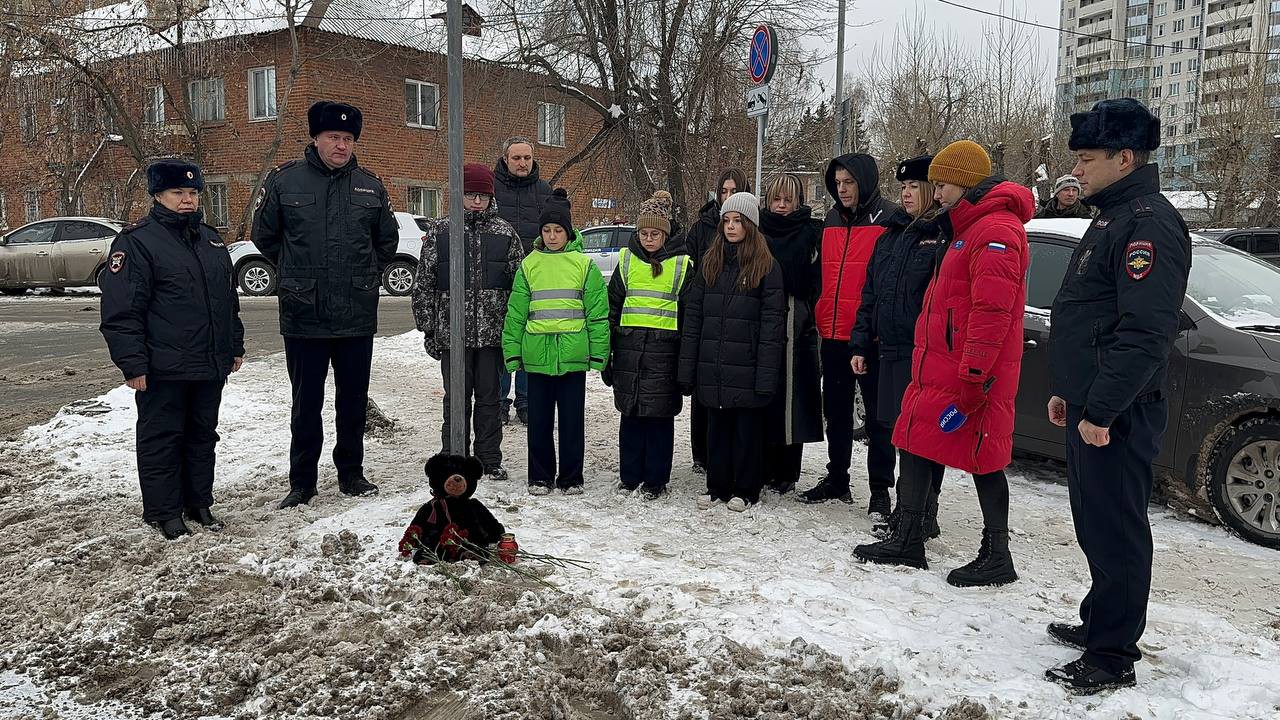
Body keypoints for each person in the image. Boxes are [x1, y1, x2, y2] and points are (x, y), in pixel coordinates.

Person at [1043, 99, 1191, 694]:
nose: (1077, 169)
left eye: (1087, 158)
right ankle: (1099, 621)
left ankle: (1112, 655)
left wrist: (1101, 408)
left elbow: (1145, 333)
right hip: (1090, 405)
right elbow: (1090, 316)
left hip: (1120, 412)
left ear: (1124, 157)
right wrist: (1071, 394)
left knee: (1117, 529)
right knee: (1094, 522)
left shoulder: (1147, 224)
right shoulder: (1112, 216)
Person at [853, 140, 1033, 591]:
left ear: (966, 183)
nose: (937, 193)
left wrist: (974, 376)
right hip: (937, 369)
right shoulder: (965, 229)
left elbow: (990, 316)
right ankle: (908, 536)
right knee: (913, 439)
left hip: (967, 375)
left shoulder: (996, 233)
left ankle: (997, 553)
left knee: (984, 457)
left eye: (944, 183)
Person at [252, 101, 398, 509]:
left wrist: (365, 272)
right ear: (315, 138)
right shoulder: (285, 181)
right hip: (304, 312)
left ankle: (351, 474)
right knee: (306, 403)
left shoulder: (370, 185)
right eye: (333, 137)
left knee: (353, 400)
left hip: (355, 311)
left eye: (348, 139)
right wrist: (298, 269)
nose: (341, 146)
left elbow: (385, 240)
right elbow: (265, 236)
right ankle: (302, 482)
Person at [99, 159, 245, 539]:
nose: (187, 200)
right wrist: (132, 364)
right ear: (158, 195)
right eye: (178, 192)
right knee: (162, 438)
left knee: (202, 435)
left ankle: (199, 502)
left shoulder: (211, 240)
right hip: (163, 365)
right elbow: (122, 310)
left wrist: (234, 345)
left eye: (193, 193)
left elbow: (227, 300)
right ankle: (164, 512)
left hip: (209, 362)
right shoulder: (137, 242)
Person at [849, 155, 947, 539]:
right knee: (898, 433)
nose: (906, 194)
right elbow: (870, 293)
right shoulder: (891, 235)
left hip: (923, 353)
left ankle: (923, 513)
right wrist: (860, 342)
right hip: (887, 350)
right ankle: (909, 511)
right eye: (902, 188)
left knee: (924, 436)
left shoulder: (942, 233)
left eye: (914, 187)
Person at [412, 163, 524, 482]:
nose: (476, 201)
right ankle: (455, 456)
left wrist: (512, 330)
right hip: (453, 335)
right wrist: (428, 327)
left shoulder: (505, 233)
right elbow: (424, 282)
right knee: (456, 399)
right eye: (470, 194)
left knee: (490, 399)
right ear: (459, 195)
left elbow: (519, 287)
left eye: (482, 195)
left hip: (491, 335)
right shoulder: (441, 230)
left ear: (491, 198)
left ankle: (489, 458)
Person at [802, 153, 898, 519]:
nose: (842, 190)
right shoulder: (828, 220)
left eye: (849, 183)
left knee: (877, 418)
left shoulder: (889, 220)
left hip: (872, 337)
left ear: (865, 182)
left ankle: (880, 489)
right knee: (837, 412)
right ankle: (837, 478)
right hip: (833, 331)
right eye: (837, 183)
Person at [678, 192, 786, 512]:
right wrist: (688, 368)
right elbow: (694, 316)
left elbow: (772, 327)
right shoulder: (711, 263)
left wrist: (766, 375)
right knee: (718, 431)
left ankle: (747, 488)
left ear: (751, 224)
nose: (731, 226)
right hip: (714, 365)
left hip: (748, 366)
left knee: (747, 433)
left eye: (738, 220)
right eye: (726, 220)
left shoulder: (767, 267)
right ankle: (717, 486)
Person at [502, 189, 609, 495]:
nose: (551, 236)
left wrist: (599, 353)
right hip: (536, 357)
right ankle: (539, 476)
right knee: (538, 423)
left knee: (572, 422)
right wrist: (512, 353)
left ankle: (572, 477)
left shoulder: (583, 265)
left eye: (557, 230)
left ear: (568, 232)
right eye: (547, 230)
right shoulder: (529, 265)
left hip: (572, 355)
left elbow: (597, 314)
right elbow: (516, 314)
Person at [603, 191, 693, 499]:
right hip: (629, 353)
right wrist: (608, 354)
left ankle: (656, 480)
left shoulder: (682, 265)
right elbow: (612, 306)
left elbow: (689, 314)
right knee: (630, 418)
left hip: (664, 355)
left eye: (655, 233)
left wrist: (685, 362)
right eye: (644, 233)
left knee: (659, 422)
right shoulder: (627, 262)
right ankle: (629, 477)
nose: (649, 238)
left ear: (665, 234)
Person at [757, 174, 823, 494]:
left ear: (797, 202)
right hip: (762, 322)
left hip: (797, 322)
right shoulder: (757, 233)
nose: (782, 207)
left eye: (788, 200)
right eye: (776, 200)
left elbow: (818, 281)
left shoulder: (811, 233)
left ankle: (787, 471)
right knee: (765, 392)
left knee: (793, 399)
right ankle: (763, 464)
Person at [684, 168, 751, 476]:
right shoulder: (702, 227)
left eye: (733, 190)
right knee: (704, 394)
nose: (727, 196)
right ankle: (702, 454)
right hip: (707, 310)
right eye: (723, 191)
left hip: (737, 316)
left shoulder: (750, 227)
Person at [493, 136, 553, 426]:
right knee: (506, 342)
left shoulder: (543, 190)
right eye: (516, 158)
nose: (522, 163)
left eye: (527, 158)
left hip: (535, 278)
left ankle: (527, 401)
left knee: (530, 341)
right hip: (499, 278)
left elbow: (555, 230)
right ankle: (500, 402)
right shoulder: (492, 188)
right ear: (506, 159)